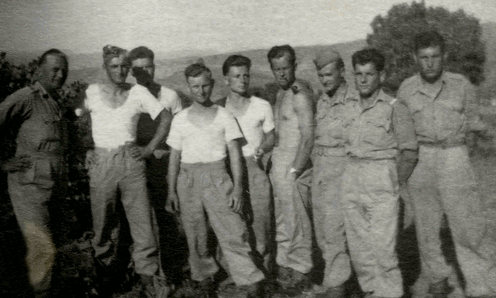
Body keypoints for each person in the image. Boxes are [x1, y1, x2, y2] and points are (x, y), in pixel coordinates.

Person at [398, 31, 496, 298]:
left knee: (469, 226)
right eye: (423, 57)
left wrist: (485, 136)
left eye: (435, 57)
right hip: (422, 160)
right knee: (427, 229)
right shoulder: (406, 89)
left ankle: (482, 287)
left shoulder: (461, 85)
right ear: (415, 58)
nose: (429, 63)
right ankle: (437, 280)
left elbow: (475, 122)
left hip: (455, 156)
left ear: (445, 56)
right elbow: (403, 133)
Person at [165, 62, 265, 297]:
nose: (201, 91)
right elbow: (174, 158)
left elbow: (235, 154)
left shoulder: (224, 115)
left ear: (212, 84)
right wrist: (171, 191)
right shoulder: (180, 119)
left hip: (218, 178)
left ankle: (249, 279)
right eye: (195, 86)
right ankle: (204, 276)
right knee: (195, 232)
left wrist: (238, 189)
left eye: (205, 85)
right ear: (188, 87)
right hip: (188, 179)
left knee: (232, 229)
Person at [80, 45, 172, 297]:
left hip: (132, 163)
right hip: (102, 163)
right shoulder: (92, 92)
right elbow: (78, 118)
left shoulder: (138, 92)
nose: (120, 71)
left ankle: (148, 277)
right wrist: (87, 147)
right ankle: (106, 275)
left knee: (142, 223)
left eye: (124, 66)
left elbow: (165, 117)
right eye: (114, 66)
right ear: (105, 67)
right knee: (103, 223)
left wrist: (148, 148)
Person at [341, 48, 417, 298]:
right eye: (358, 74)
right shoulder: (348, 105)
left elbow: (409, 152)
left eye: (369, 74)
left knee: (384, 250)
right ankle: (372, 292)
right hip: (352, 177)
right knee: (360, 250)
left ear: (381, 76)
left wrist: (393, 181)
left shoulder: (395, 107)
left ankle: (392, 293)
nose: (362, 80)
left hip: (381, 179)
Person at [0, 49, 69, 297]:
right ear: (39, 70)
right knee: (42, 248)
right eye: (54, 69)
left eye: (64, 70)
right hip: (29, 186)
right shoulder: (25, 98)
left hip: (55, 182)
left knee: (53, 246)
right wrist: (2, 163)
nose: (60, 75)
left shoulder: (54, 101)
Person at [128, 46, 184, 282]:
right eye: (138, 69)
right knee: (138, 219)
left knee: (166, 217)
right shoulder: (129, 95)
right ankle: (143, 271)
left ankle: (172, 270)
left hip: (163, 163)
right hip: (135, 165)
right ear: (132, 71)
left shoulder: (170, 96)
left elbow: (181, 131)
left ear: (154, 66)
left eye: (148, 66)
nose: (144, 72)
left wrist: (163, 150)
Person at [217, 55, 275, 274]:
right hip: (227, 169)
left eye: (246, 75)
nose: (242, 80)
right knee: (233, 222)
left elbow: (272, 135)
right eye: (236, 76)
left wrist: (262, 149)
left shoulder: (262, 105)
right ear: (226, 79)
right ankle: (236, 272)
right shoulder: (219, 108)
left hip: (254, 166)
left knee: (261, 221)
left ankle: (265, 272)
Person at [267, 44, 314, 292]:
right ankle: (285, 267)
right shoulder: (280, 94)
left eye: (286, 68)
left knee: (298, 220)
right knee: (283, 219)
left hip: (294, 163)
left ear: (294, 66)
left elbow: (308, 136)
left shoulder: (300, 95)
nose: (282, 74)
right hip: (279, 161)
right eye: (277, 69)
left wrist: (296, 169)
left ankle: (302, 270)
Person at [310, 48, 355, 297]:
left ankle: (337, 284)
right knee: (322, 227)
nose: (325, 79)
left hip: (341, 169)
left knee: (336, 227)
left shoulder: (354, 100)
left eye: (329, 74)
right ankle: (332, 276)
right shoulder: (322, 100)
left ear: (342, 71)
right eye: (321, 75)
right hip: (320, 166)